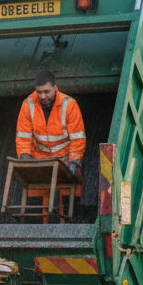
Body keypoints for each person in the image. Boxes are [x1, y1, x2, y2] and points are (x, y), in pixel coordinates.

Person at [15, 70, 86, 212]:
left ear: (55, 87)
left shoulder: (69, 105)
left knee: (66, 205)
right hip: (39, 162)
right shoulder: (28, 104)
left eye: (46, 92)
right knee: (37, 204)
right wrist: (24, 158)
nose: (43, 96)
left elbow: (78, 138)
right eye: (39, 92)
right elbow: (23, 137)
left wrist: (74, 161)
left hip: (65, 161)